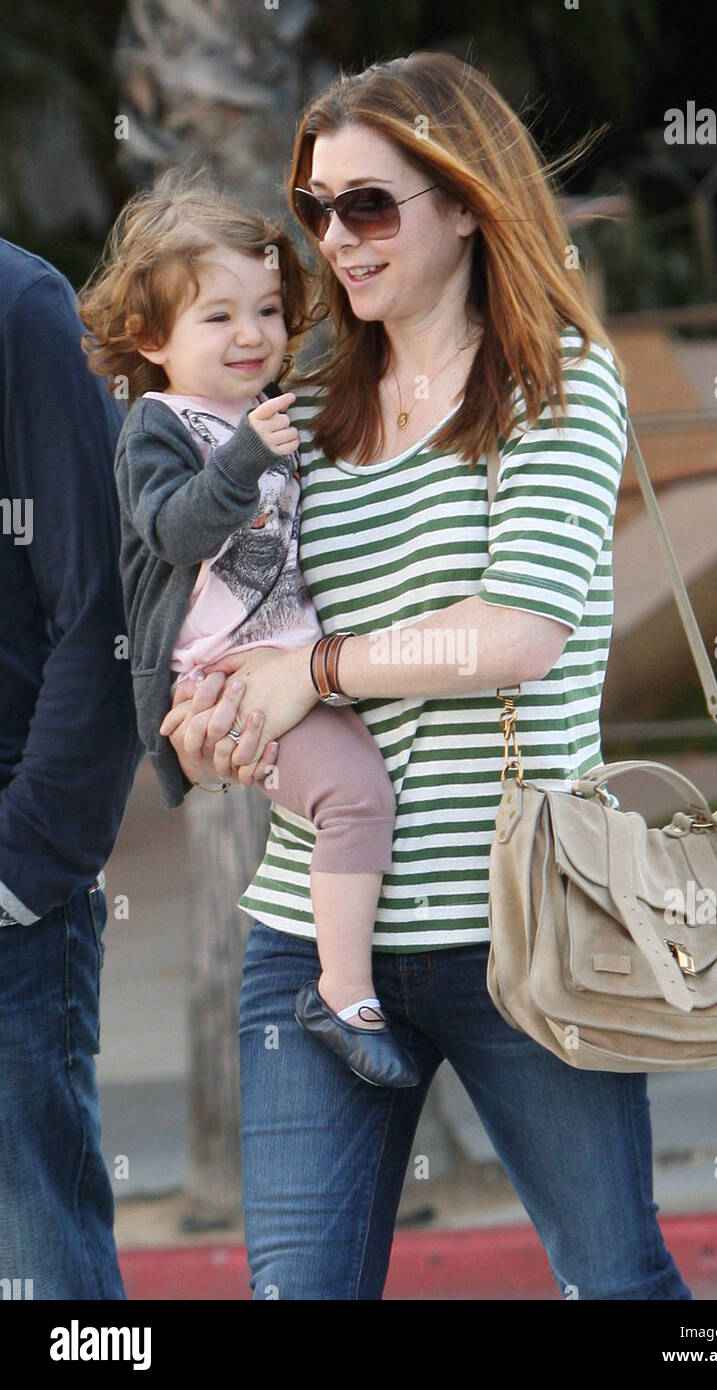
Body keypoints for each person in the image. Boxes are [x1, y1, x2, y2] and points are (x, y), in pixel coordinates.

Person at [162, 52, 693, 1300]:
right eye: (315, 207)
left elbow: (517, 633)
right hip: (310, 942)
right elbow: (237, 625)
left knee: (617, 1281)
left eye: (370, 203)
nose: (336, 237)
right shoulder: (301, 405)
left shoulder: (549, 379)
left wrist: (319, 670)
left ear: (463, 199)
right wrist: (214, 723)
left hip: (518, 931)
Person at [78, 171, 417, 1089]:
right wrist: (240, 455)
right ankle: (343, 993)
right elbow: (172, 529)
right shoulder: (158, 423)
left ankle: (352, 977)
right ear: (152, 339)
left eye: (266, 310)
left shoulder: (275, 410)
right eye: (217, 318)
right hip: (218, 677)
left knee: (362, 788)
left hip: (286, 661)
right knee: (354, 799)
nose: (251, 335)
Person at [0, 238, 142, 1299]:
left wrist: (26, 861)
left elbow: (100, 610)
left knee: (44, 1263)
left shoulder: (20, 307)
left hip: (10, 903)